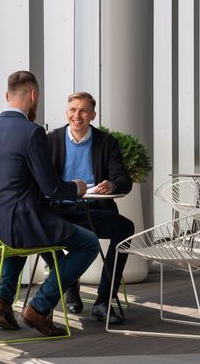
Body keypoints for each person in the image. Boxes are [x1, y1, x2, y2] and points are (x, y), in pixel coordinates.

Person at [0, 71, 100, 337]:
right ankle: (39, 308)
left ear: (7, 96)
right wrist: (77, 188)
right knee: (88, 243)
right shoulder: (32, 133)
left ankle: (1, 304)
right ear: (34, 96)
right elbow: (52, 188)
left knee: (18, 244)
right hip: (20, 223)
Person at [46, 92, 134, 324]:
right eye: (73, 110)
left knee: (125, 229)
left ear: (92, 115)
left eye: (84, 110)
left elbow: (124, 180)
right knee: (36, 230)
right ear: (67, 113)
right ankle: (68, 284)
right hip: (59, 210)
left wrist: (112, 184)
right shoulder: (50, 140)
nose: (78, 115)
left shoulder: (106, 142)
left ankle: (104, 300)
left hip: (94, 210)